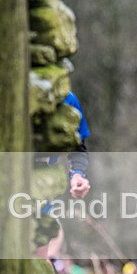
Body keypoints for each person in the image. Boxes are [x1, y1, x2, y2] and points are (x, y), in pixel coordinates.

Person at [35, 91, 92, 261]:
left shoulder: (67, 99)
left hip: (41, 193)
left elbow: (78, 147)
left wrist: (77, 175)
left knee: (40, 259)